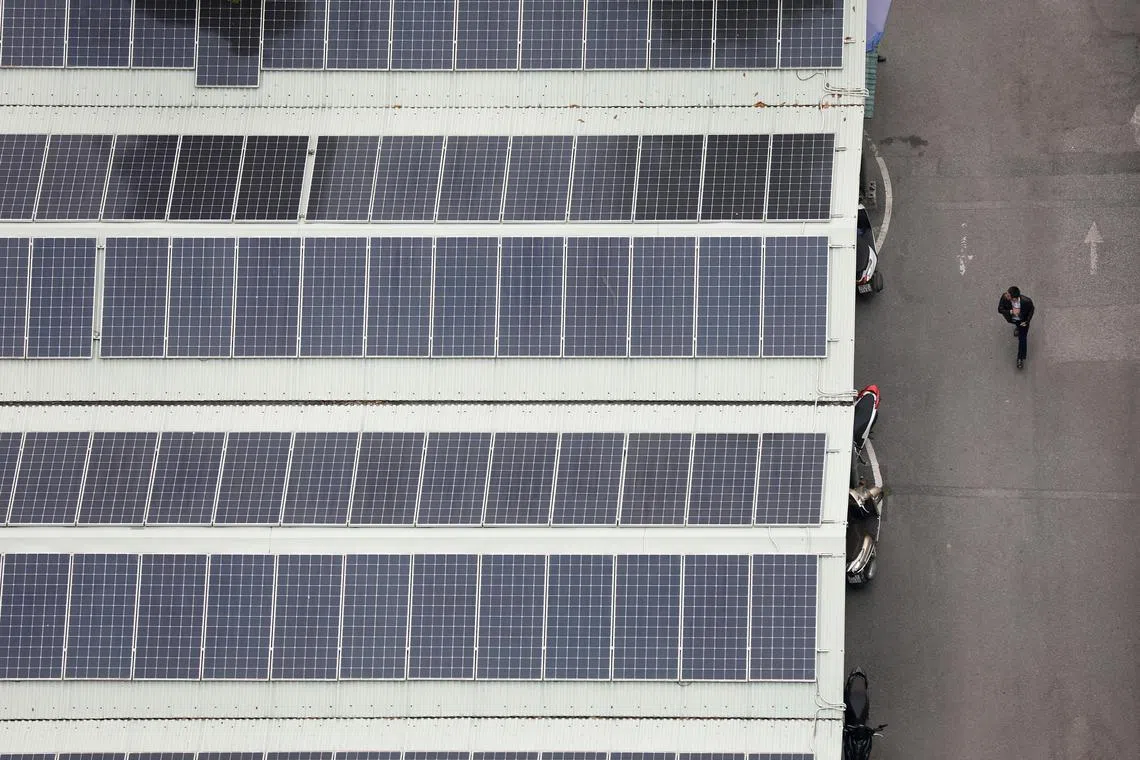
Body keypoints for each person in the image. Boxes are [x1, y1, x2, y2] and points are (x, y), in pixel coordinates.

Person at [998, 286, 1035, 369]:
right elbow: (1000, 309)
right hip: (1013, 320)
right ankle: (1017, 327)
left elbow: (1031, 310)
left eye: (1008, 295)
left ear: (1014, 298)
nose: (1006, 295)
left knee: (1022, 340)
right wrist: (1010, 312)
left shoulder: (1026, 301)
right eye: (1007, 293)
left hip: (1023, 322)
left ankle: (1020, 358)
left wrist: (1027, 321)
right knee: (1017, 325)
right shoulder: (1004, 297)